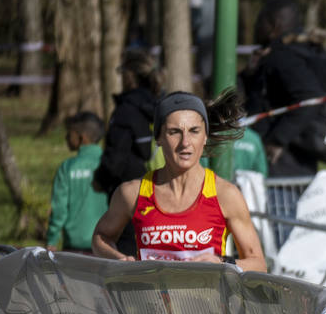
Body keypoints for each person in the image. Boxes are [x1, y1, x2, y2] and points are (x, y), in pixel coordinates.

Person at [91, 91, 267, 273]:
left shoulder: (225, 194)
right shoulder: (133, 192)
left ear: (205, 136)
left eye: (194, 131)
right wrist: (119, 260)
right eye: (174, 132)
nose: (185, 142)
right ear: (159, 138)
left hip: (207, 301)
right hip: (148, 301)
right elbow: (101, 236)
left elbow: (259, 264)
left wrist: (223, 264)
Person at [240, 0, 326, 177]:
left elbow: (311, 97)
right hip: (300, 161)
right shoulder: (301, 53)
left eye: (260, 22)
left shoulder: (283, 57)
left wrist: (278, 140)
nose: (256, 27)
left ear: (274, 25)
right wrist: (250, 74)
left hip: (280, 163)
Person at [93, 50, 164, 256]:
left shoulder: (126, 111)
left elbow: (115, 159)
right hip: (164, 192)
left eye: (121, 72)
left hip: (131, 199)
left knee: (127, 258)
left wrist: (100, 180)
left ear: (130, 75)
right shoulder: (161, 108)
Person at [45, 112, 109, 252]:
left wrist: (52, 240)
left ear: (81, 138)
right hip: (106, 246)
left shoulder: (67, 168)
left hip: (74, 249)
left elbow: (59, 210)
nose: (66, 137)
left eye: (69, 133)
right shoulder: (109, 164)